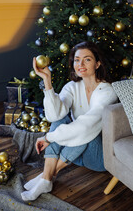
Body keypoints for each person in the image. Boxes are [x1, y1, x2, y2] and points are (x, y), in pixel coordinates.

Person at [21, 41, 118, 201]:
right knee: (62, 118)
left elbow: (87, 127)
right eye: (76, 59)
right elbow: (54, 116)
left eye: (87, 59)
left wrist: (48, 138)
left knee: (86, 130)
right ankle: (46, 179)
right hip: (76, 153)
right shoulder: (72, 86)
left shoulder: (108, 92)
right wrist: (47, 81)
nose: (80, 64)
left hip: (100, 157)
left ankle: (47, 176)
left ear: (98, 63)